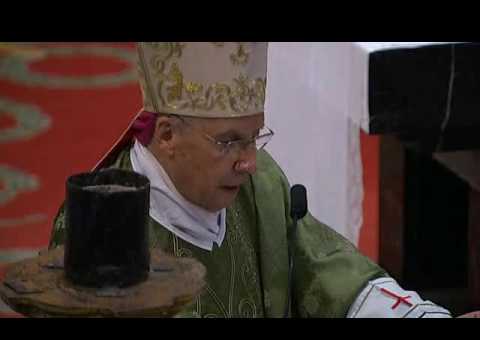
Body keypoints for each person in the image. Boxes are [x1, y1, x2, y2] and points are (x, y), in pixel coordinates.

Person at [49, 42, 476, 318]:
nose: (250, 162)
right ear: (167, 136)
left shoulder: (256, 182)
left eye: (255, 136)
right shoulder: (100, 224)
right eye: (230, 141)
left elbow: (321, 268)